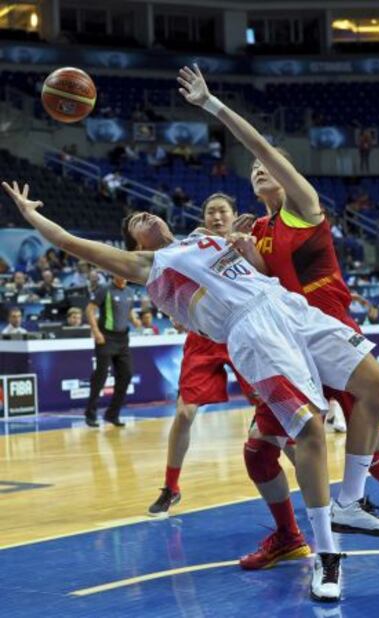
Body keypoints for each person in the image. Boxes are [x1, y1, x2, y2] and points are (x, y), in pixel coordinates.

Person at [3, 180, 379, 602]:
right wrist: (32, 215)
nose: (146, 215)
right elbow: (71, 242)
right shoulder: (148, 265)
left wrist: (242, 242)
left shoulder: (206, 239)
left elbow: (259, 256)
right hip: (253, 335)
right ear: (134, 243)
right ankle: (327, 553)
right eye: (137, 222)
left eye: (145, 212)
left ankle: (349, 502)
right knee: (309, 432)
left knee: (377, 384)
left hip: (287, 307)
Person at [175, 64, 379, 547]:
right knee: (260, 450)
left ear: (287, 175)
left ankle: (350, 506)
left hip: (331, 336)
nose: (260, 168)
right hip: (287, 346)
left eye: (270, 165)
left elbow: (260, 146)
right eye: (256, 169)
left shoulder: (303, 206)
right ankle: (293, 538)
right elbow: (259, 289)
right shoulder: (256, 233)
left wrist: (211, 105)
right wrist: (228, 247)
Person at [147, 192, 309, 573]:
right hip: (206, 336)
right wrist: (176, 312)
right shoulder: (191, 246)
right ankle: (171, 486)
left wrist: (247, 248)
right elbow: (171, 291)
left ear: (235, 216)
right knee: (185, 412)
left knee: (277, 425)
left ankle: (314, 497)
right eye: (210, 210)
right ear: (202, 217)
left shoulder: (246, 243)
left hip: (246, 332)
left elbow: (269, 279)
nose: (217, 215)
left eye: (223, 210)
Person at [83, 275, 141, 428]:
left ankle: (112, 414)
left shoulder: (129, 291)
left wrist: (134, 320)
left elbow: (128, 310)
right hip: (106, 337)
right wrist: (95, 331)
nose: (123, 278)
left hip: (123, 339)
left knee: (126, 374)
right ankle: (90, 414)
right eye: (120, 275)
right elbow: (90, 309)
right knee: (100, 376)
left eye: (125, 275)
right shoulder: (105, 289)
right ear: (114, 275)